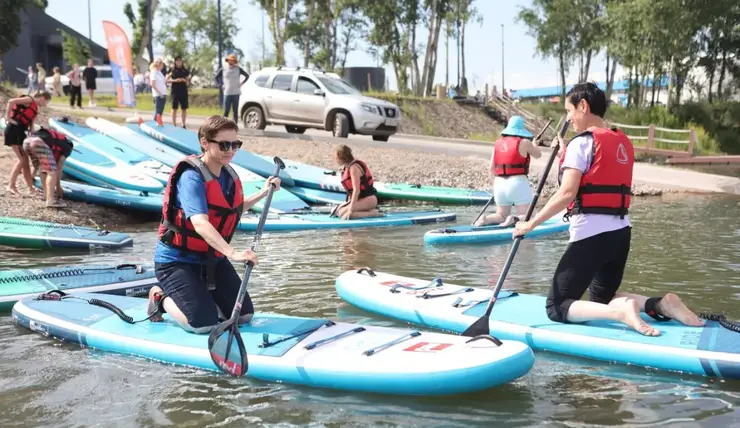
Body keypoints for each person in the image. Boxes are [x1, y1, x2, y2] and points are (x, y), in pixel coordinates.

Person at [512, 82, 703, 337]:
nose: (568, 118)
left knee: (557, 307)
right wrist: (565, 154)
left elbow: (567, 192)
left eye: (569, 110)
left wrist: (530, 224)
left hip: (592, 235)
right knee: (600, 299)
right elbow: (598, 171)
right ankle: (659, 305)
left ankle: (621, 312)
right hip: (621, 234)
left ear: (583, 106)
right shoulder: (622, 141)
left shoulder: (582, 143)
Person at [146, 115, 281, 333]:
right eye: (224, 144)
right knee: (203, 325)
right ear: (205, 143)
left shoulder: (227, 174)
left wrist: (264, 193)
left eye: (235, 144)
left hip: (211, 260)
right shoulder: (191, 177)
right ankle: (160, 297)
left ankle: (200, 298)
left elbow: (230, 210)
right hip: (177, 261)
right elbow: (200, 223)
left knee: (244, 316)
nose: (230, 150)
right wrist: (233, 253)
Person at [475, 115, 542, 227]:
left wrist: (495, 186)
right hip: (517, 183)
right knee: (530, 215)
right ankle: (514, 219)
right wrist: (535, 145)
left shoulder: (498, 143)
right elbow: (538, 155)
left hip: (499, 183)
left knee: (501, 215)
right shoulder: (524, 142)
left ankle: (486, 219)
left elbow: (491, 168)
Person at [4, 91, 51, 196]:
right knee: (21, 159)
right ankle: (10, 185)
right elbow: (11, 101)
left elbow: (31, 126)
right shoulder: (29, 100)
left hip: (21, 132)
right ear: (42, 98)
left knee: (25, 162)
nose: (45, 104)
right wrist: (8, 118)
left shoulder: (34, 108)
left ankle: (31, 188)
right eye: (46, 102)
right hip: (13, 130)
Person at [22, 126, 73, 208]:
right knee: (51, 171)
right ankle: (50, 200)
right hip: (38, 143)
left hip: (26, 142)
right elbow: (59, 167)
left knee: (43, 168)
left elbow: (38, 166)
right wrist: (58, 186)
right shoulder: (68, 148)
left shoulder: (54, 141)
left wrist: (33, 175)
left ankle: (46, 195)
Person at [331, 144, 380, 220]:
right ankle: (367, 210)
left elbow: (356, 190)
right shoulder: (348, 166)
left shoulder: (354, 168)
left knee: (342, 214)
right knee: (335, 211)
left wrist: (351, 209)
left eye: (336, 158)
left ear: (342, 157)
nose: (336, 160)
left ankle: (373, 213)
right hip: (361, 200)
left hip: (369, 199)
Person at [214, 54, 249, 122]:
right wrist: (220, 85)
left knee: (235, 111)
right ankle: (223, 126)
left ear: (234, 61)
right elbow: (216, 77)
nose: (231, 62)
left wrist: (241, 83)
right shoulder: (223, 69)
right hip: (227, 93)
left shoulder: (238, 69)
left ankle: (235, 127)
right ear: (228, 61)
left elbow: (247, 76)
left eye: (232, 60)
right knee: (226, 111)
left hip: (236, 93)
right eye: (230, 60)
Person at [167, 55, 190, 128]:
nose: (178, 62)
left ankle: (183, 123)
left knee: (184, 108)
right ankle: (174, 123)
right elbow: (166, 80)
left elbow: (188, 82)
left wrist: (185, 80)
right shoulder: (172, 70)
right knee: (174, 108)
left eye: (180, 60)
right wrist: (175, 80)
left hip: (183, 90)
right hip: (175, 90)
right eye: (177, 61)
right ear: (175, 62)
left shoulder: (185, 70)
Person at [149, 58, 167, 126]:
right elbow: (152, 84)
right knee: (158, 111)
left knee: (160, 112)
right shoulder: (154, 72)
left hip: (163, 93)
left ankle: (158, 123)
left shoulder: (160, 72)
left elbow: (163, 82)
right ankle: (154, 124)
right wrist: (159, 93)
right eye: (162, 65)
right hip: (158, 94)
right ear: (159, 65)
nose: (162, 66)